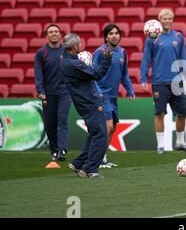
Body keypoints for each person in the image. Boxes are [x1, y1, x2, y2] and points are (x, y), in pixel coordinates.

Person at [140, 9, 186, 154]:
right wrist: (143, 78)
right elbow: (146, 60)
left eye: (170, 18)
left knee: (183, 113)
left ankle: (180, 142)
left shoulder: (178, 36)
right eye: (164, 18)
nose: (167, 21)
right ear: (159, 20)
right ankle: (161, 146)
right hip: (159, 82)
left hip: (177, 82)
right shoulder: (152, 38)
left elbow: (184, 57)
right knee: (159, 114)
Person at [61, 33, 112, 178]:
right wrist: (107, 59)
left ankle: (78, 163)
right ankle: (90, 169)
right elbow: (97, 74)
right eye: (80, 44)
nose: (81, 46)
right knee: (101, 136)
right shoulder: (74, 64)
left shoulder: (66, 60)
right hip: (89, 103)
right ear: (75, 46)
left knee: (94, 134)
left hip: (82, 102)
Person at [93, 24, 135, 168]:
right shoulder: (99, 52)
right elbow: (92, 75)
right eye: (111, 33)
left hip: (113, 96)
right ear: (106, 37)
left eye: (116, 33)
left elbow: (124, 75)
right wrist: (97, 91)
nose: (114, 36)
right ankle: (97, 159)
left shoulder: (122, 52)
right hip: (101, 95)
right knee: (108, 126)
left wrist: (130, 90)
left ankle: (102, 158)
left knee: (113, 128)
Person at [34, 24, 72, 162]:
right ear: (47, 35)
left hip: (65, 92)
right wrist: (40, 90)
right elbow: (38, 73)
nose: (54, 34)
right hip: (48, 93)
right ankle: (54, 150)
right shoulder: (41, 53)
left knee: (62, 119)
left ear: (60, 35)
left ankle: (62, 149)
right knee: (50, 123)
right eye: (51, 32)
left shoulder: (67, 51)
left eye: (56, 31)